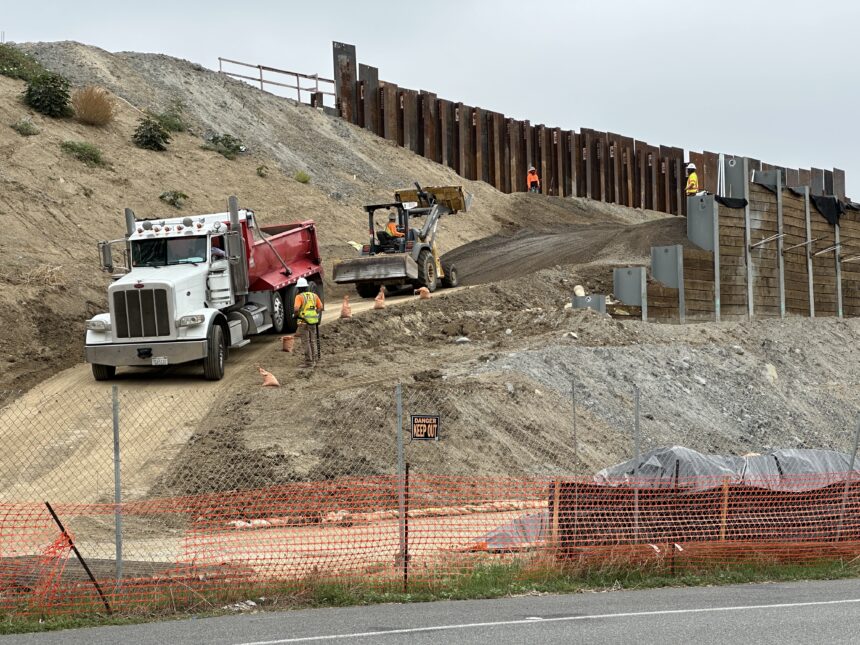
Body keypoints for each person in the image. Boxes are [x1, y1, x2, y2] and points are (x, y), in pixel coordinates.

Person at [293, 277, 323, 368]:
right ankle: (314, 360)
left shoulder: (299, 297)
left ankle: (309, 362)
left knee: (306, 342)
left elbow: (296, 309)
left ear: (298, 288)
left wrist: (295, 315)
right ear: (306, 287)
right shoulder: (314, 296)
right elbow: (320, 307)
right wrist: (314, 313)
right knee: (312, 340)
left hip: (303, 322)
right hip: (313, 322)